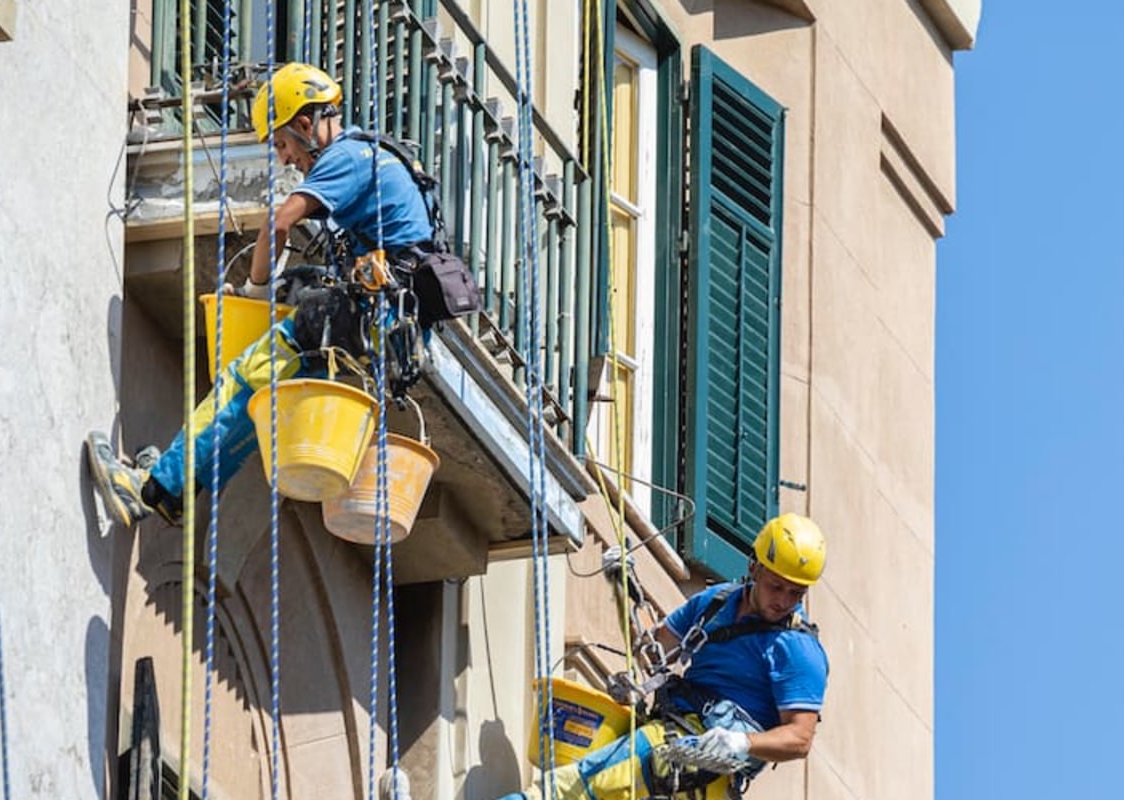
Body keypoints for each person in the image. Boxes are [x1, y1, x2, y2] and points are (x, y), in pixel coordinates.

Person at [87, 61, 439, 528]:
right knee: (266, 393)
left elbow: (278, 222)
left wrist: (255, 292)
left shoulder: (347, 159)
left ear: (304, 124)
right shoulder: (374, 157)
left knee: (245, 375)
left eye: (281, 143)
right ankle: (176, 486)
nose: (283, 158)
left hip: (370, 313)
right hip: (389, 323)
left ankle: (152, 490)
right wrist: (280, 288)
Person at [504, 513, 832, 800]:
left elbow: (800, 737)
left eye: (796, 592)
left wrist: (741, 742)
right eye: (776, 586)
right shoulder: (714, 603)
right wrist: (623, 587)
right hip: (675, 740)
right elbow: (652, 646)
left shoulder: (797, 648)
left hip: (692, 754)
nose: (784, 601)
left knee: (568, 787)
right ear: (754, 568)